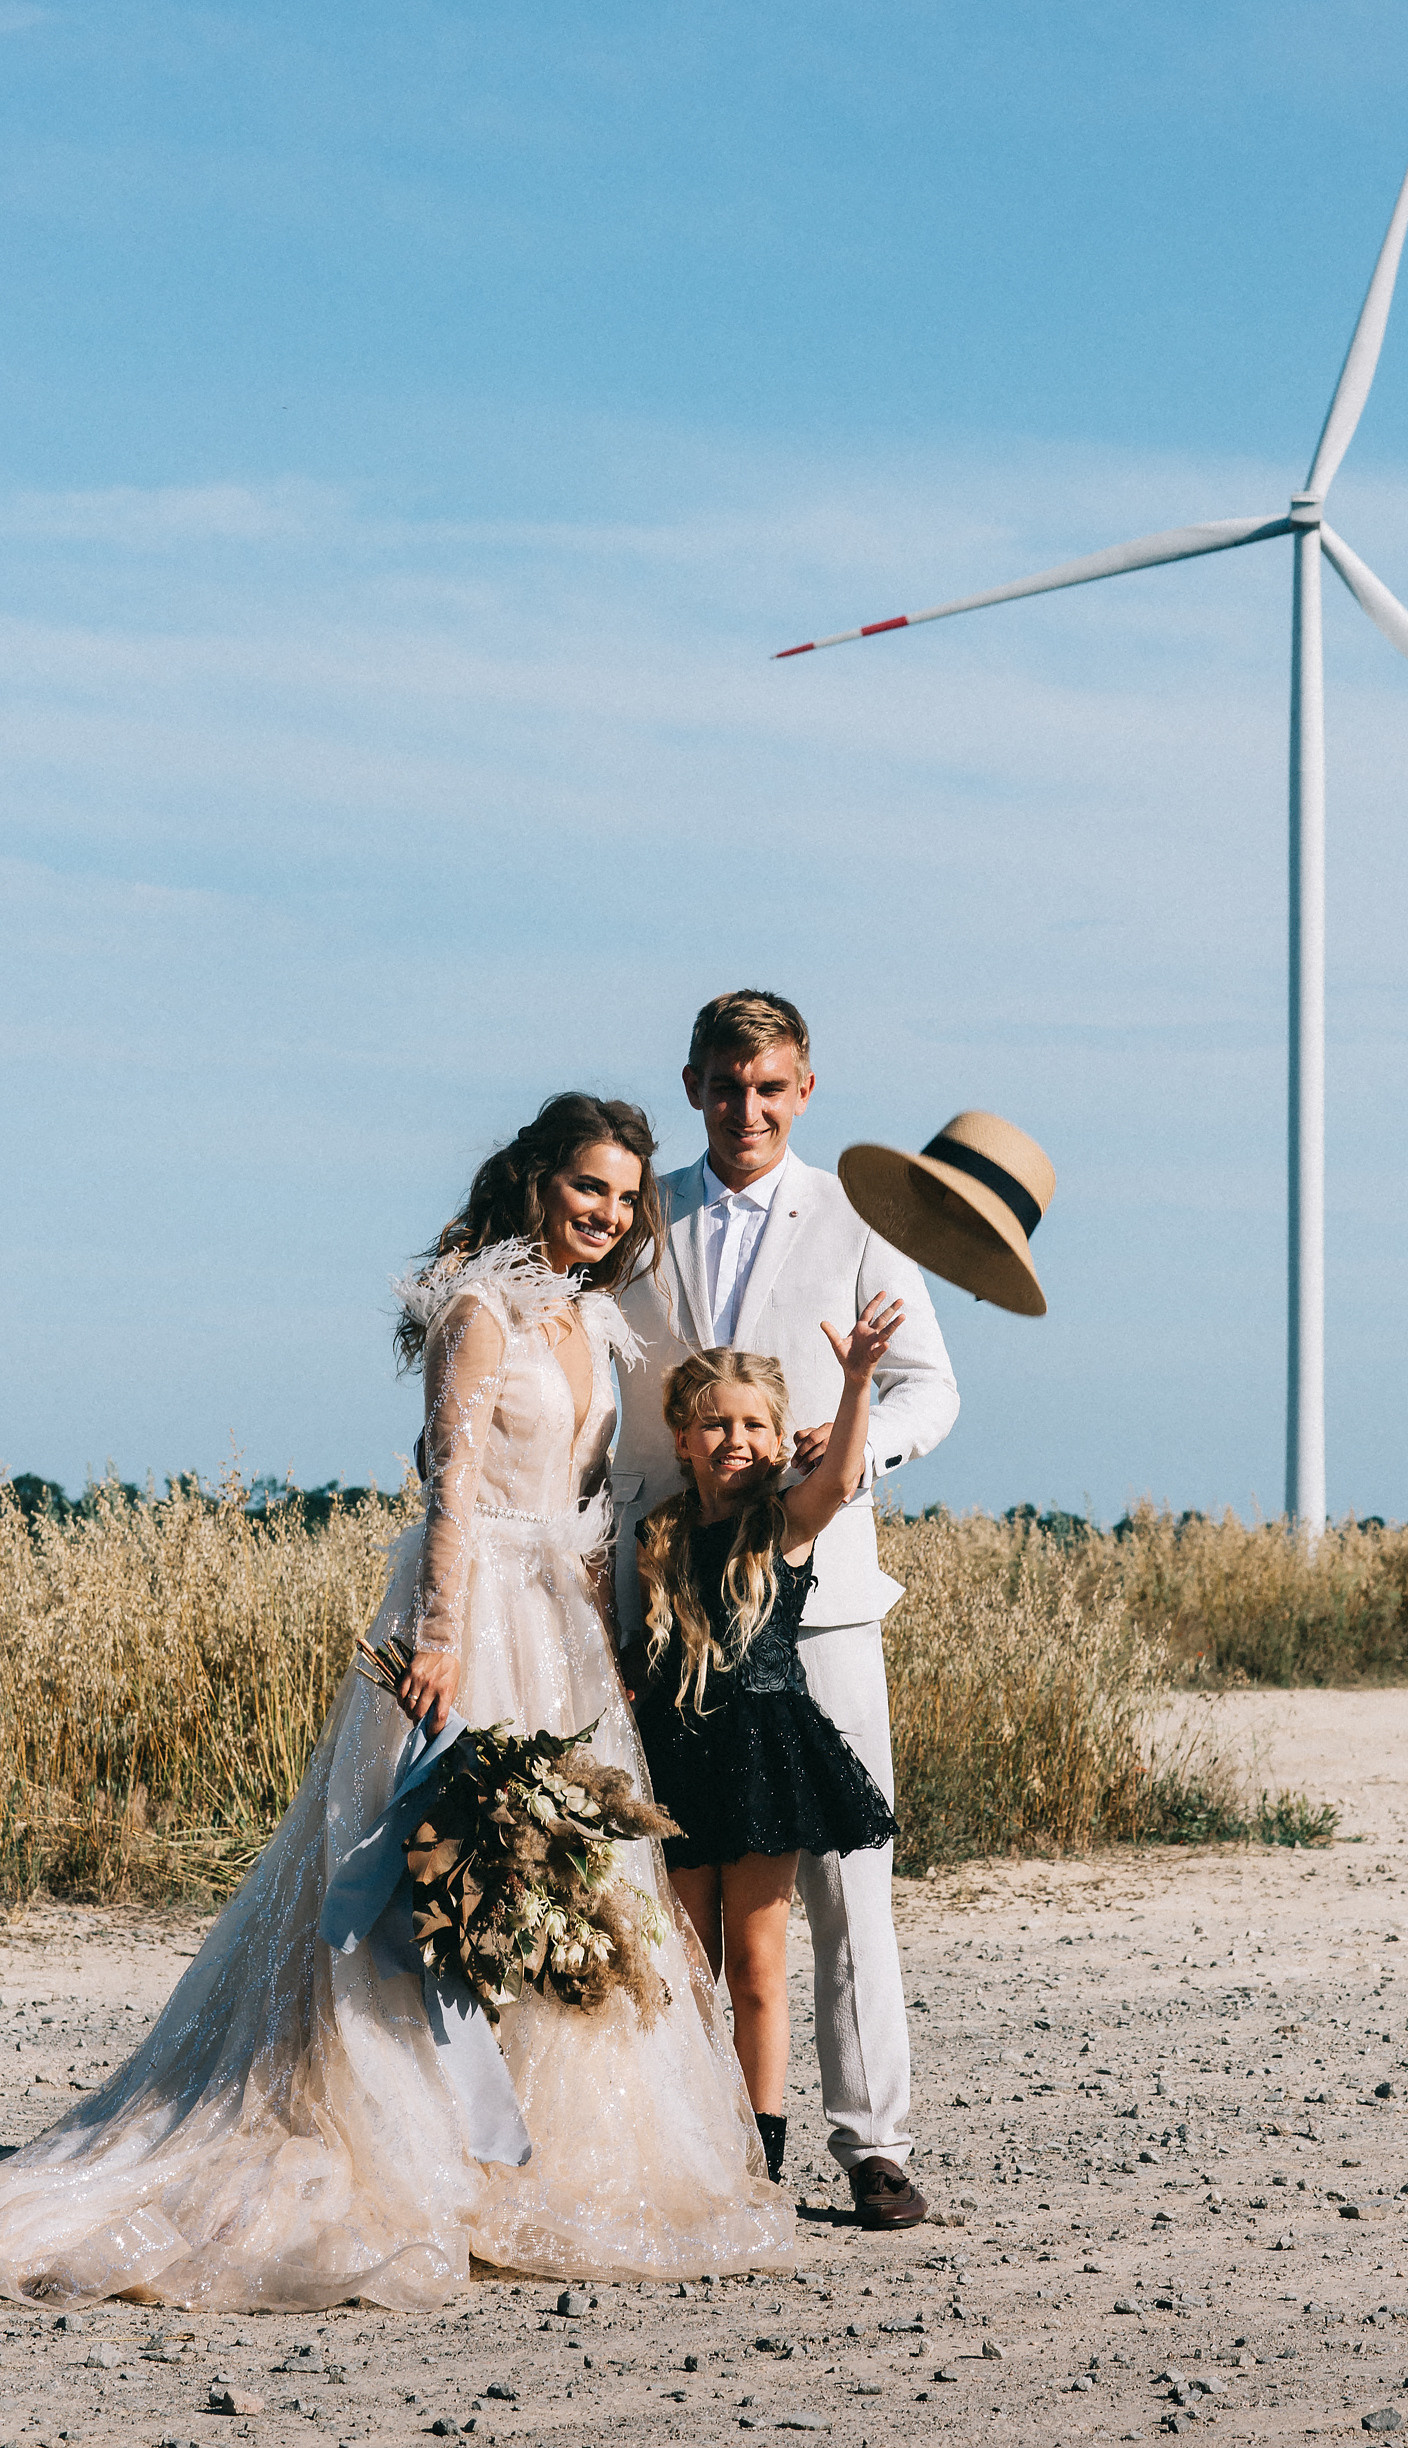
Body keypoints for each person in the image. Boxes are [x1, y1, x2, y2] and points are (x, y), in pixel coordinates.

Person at [0, 1095, 794, 2310]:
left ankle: (533, 2141)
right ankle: (409, 2125)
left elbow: (587, 1511)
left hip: (560, 1629)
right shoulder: (478, 1312)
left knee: (560, 1879)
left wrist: (605, 1639)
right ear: (537, 1182)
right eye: (588, 1186)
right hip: (471, 1613)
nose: (608, 1212)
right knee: (429, 1870)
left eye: (627, 1196)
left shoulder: (592, 1321)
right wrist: (437, 1638)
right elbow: (452, 1484)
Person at [613, 990, 959, 2232]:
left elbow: (928, 1390)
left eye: (768, 1088)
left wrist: (851, 1455)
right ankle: (695, 2143)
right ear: (692, 1086)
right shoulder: (638, 1215)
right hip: (662, 1602)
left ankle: (873, 2144)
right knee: (674, 1894)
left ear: (803, 1089)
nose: (745, 1109)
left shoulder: (862, 1218)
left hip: (819, 1598)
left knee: (848, 1884)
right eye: (724, 1086)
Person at [625, 1319, 902, 2189]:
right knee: (686, 1966)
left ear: (780, 1440)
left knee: (754, 1967)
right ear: (682, 1437)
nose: (735, 1440)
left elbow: (843, 1478)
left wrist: (856, 1383)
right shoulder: (658, 1534)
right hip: (679, 1754)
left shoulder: (782, 1525)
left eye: (753, 1425)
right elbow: (644, 1654)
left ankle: (759, 2158)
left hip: (762, 1758)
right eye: (714, 1423)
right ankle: (688, 2141)